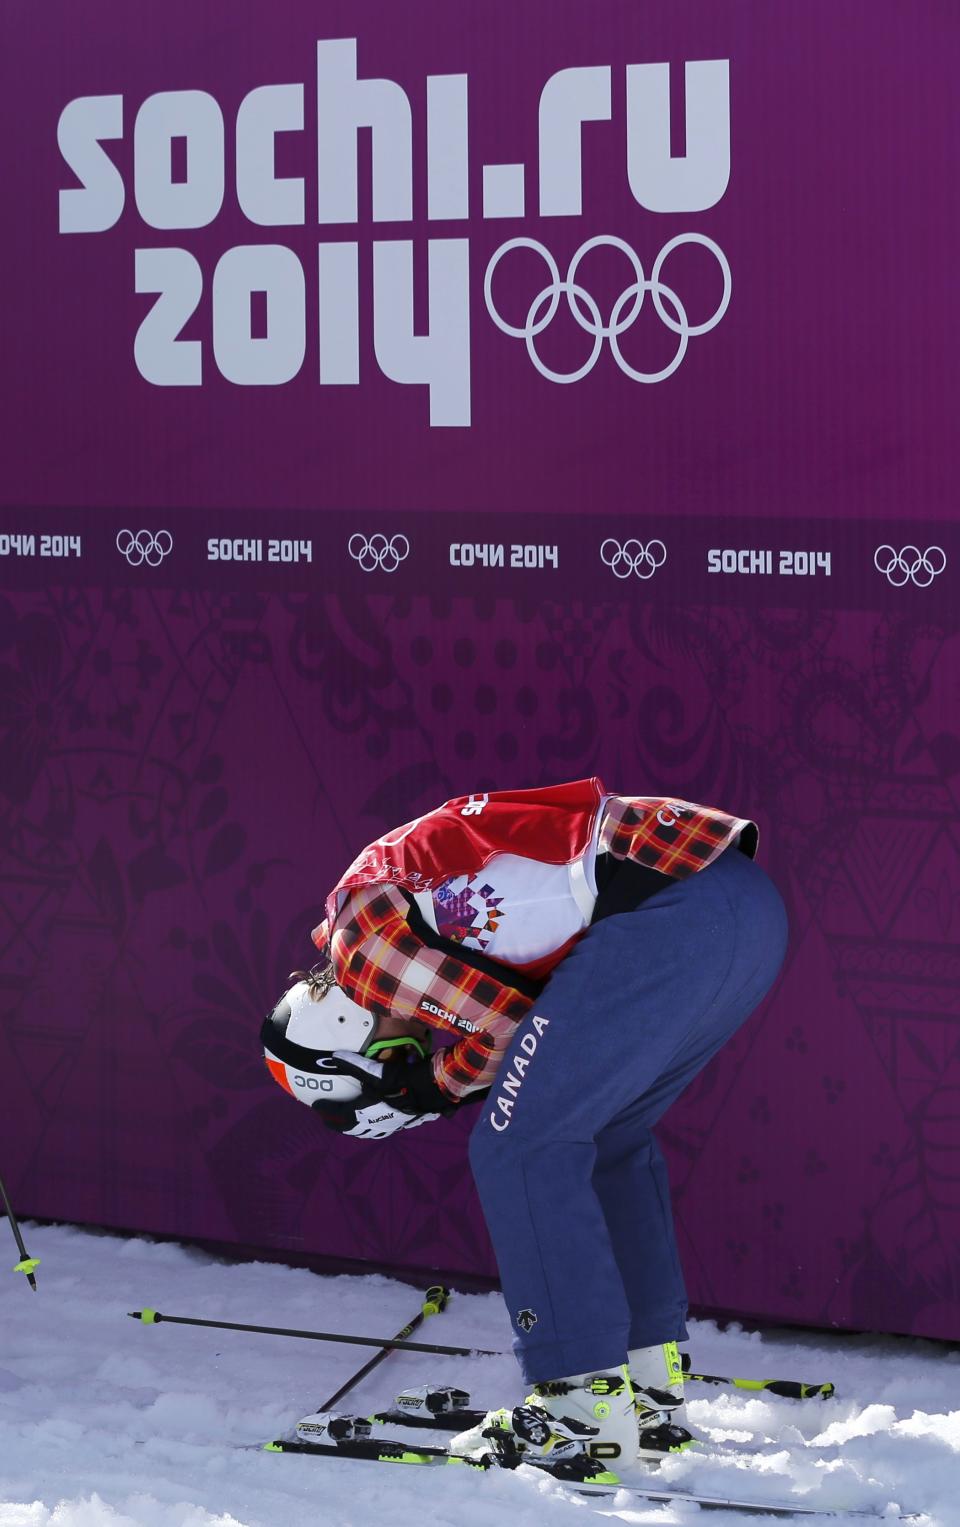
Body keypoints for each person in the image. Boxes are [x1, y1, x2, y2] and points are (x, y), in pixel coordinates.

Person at [261, 778, 788, 1468]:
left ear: (339, 1028)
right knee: (603, 1137)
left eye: (394, 1060)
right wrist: (436, 1084)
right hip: (734, 901)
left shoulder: (364, 949)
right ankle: (646, 1388)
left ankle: (578, 1408)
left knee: (520, 1146)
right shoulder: (366, 909)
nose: (419, 1048)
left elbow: (506, 1030)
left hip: (670, 909)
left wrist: (431, 1091)